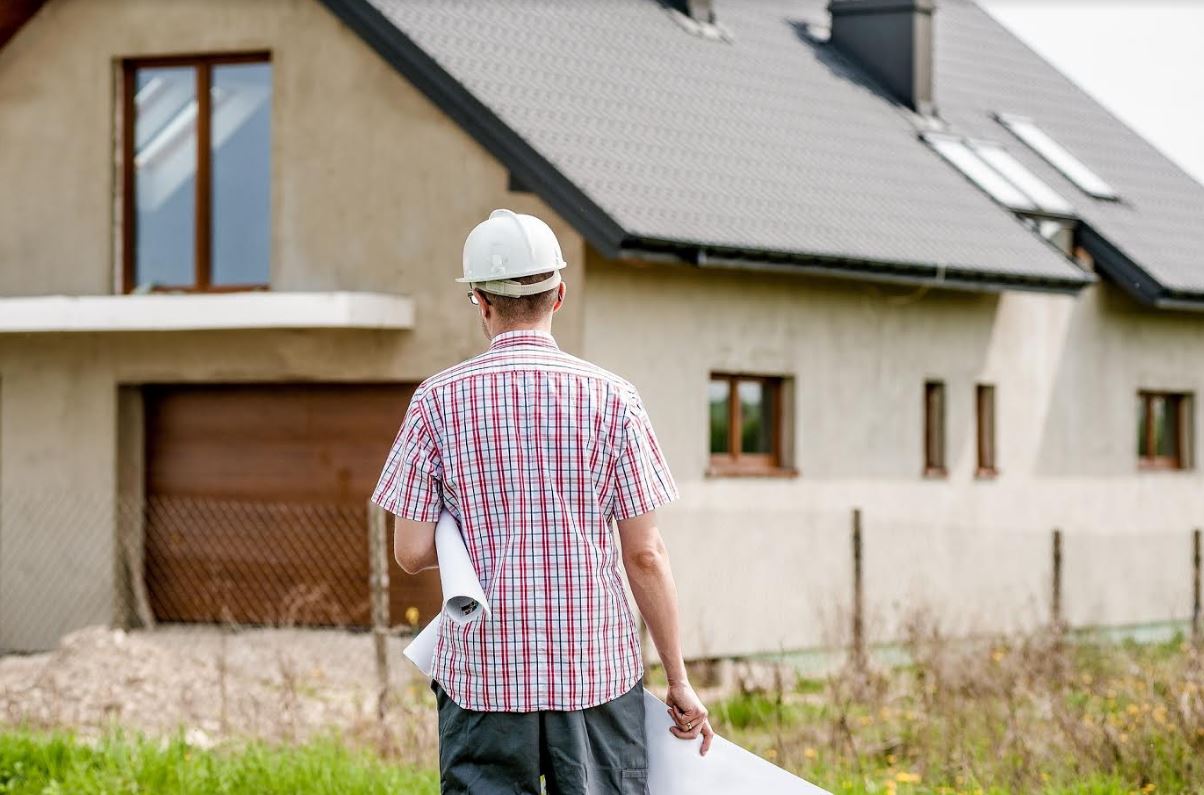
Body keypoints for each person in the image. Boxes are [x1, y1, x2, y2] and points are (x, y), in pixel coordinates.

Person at [371, 208, 713, 794]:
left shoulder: (435, 402)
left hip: (482, 679)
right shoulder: (615, 400)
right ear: (559, 294)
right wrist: (678, 678)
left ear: (479, 301)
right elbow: (646, 555)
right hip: (595, 677)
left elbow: (409, 550)